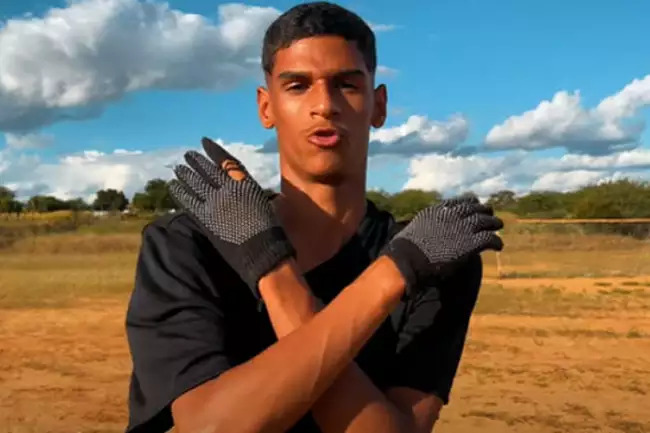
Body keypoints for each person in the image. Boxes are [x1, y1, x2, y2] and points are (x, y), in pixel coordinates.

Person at [124, 2, 504, 433]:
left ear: (378, 105)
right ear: (266, 107)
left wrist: (274, 267)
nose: (324, 105)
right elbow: (210, 426)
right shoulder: (186, 244)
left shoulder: (434, 259)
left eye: (346, 85)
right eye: (298, 86)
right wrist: (387, 275)